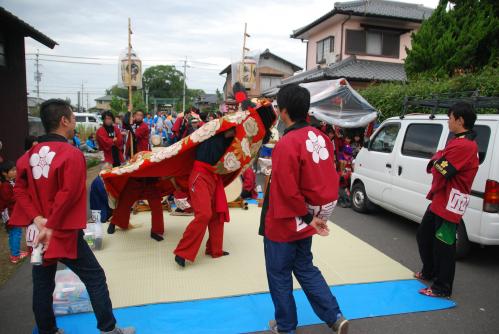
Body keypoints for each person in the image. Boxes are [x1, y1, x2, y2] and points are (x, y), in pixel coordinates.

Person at [9, 99, 135, 334]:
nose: (75, 123)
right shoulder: (71, 153)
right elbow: (68, 194)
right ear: (64, 120)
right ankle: (108, 329)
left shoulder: (26, 157)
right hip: (62, 231)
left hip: (38, 233)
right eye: (73, 119)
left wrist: (38, 219)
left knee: (43, 284)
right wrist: (51, 224)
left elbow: (19, 190)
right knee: (95, 277)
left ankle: (48, 330)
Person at [259, 84, 348, 334]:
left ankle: (286, 326)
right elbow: (325, 177)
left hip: (286, 218)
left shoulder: (287, 142)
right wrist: (312, 217)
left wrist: (307, 216)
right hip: (308, 216)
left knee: (279, 274)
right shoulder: (321, 137)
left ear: (283, 111)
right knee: (305, 267)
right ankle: (334, 315)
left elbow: (287, 189)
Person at [416, 102, 479, 298]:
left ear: (460, 120)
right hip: (440, 199)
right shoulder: (458, 141)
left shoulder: (465, 145)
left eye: (450, 118)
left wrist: (437, 158)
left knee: (444, 245)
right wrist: (438, 159)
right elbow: (439, 161)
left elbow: (444, 168)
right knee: (424, 235)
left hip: (450, 203)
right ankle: (429, 272)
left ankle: (442, 287)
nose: (448, 121)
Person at [173, 127, 236, 267]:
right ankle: (182, 252)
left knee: (217, 212)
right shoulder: (209, 134)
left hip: (214, 177)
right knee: (204, 214)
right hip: (200, 176)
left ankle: (215, 249)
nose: (233, 132)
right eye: (232, 129)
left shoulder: (232, 141)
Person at [108, 177, 166, 241]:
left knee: (157, 206)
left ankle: (156, 231)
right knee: (124, 203)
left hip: (151, 180)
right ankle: (114, 222)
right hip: (135, 179)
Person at [0, 160, 29, 264]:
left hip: (12, 213)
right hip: (10, 214)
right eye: (12, 170)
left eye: (15, 169)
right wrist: (20, 195)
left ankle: (15, 252)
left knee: (14, 233)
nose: (15, 172)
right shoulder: (5, 185)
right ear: (4, 173)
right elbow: (9, 199)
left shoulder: (11, 182)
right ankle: (15, 255)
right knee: (16, 233)